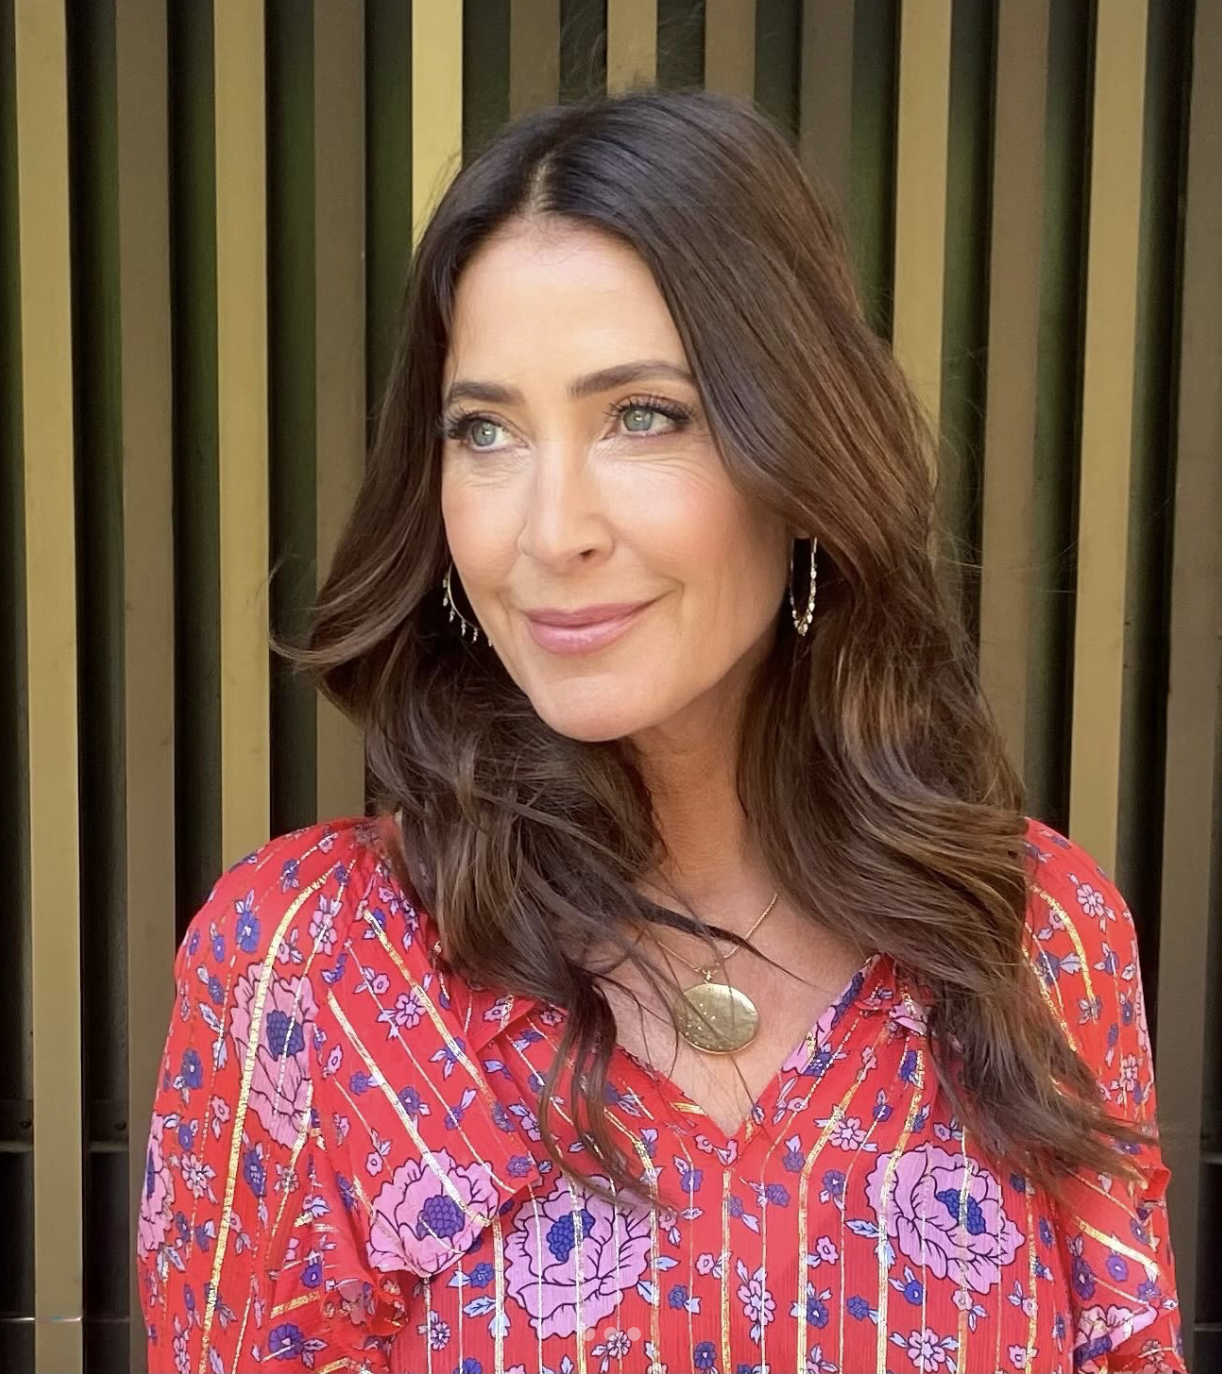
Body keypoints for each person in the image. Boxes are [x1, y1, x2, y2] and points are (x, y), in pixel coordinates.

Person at [136, 88, 1183, 1374]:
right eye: (486, 431)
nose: (551, 529)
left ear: (799, 458)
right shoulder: (305, 969)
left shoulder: (1035, 942)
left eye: (643, 415)